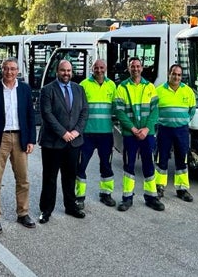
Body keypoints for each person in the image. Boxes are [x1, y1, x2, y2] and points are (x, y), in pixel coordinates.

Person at [0, 58, 37, 232]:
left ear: (18, 71)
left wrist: (31, 140)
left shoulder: (25, 89)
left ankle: (23, 213)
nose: (9, 72)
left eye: (13, 69)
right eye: (6, 69)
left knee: (23, 179)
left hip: (20, 138)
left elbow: (30, 115)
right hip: (0, 139)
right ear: (1, 70)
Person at [37, 60, 88, 223]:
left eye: (68, 71)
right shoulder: (47, 90)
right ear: (57, 71)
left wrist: (76, 131)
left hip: (73, 142)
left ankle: (71, 206)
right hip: (53, 142)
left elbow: (84, 112)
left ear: (72, 72)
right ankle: (46, 210)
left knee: (70, 176)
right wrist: (63, 133)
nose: (66, 73)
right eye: (63, 70)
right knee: (50, 177)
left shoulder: (79, 89)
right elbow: (47, 114)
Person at [113, 57, 164, 212]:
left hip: (147, 134)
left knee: (149, 165)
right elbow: (119, 112)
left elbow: (155, 110)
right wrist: (134, 130)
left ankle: (151, 197)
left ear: (142, 68)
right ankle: (127, 199)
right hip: (130, 134)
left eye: (138, 66)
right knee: (129, 166)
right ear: (128, 69)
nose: (135, 69)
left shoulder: (150, 87)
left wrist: (147, 129)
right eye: (132, 66)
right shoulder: (122, 87)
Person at [75, 59, 117, 209]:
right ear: (92, 69)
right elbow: (77, 109)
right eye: (96, 68)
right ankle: (79, 197)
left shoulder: (112, 85)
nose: (99, 70)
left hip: (106, 134)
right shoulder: (83, 85)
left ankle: (106, 194)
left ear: (105, 68)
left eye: (101, 67)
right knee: (81, 165)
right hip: (86, 134)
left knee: (106, 165)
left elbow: (116, 108)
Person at [155, 64, 196, 202]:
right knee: (162, 159)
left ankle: (182, 189)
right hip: (164, 130)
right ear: (169, 74)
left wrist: (182, 121)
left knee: (182, 160)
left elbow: (192, 110)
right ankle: (159, 187)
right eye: (174, 74)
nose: (176, 77)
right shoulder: (159, 90)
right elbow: (153, 110)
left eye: (179, 75)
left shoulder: (188, 91)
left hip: (181, 130)